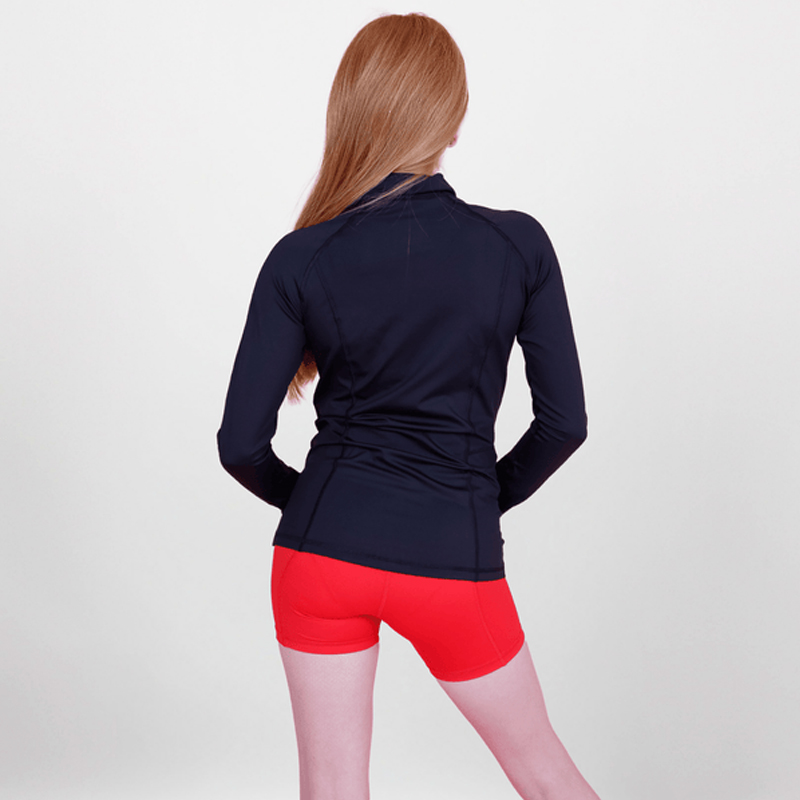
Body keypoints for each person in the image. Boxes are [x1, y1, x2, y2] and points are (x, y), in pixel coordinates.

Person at [217, 12, 600, 800]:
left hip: (319, 558)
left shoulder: (300, 257)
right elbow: (564, 423)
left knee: (331, 790)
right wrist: (473, 495)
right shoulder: (517, 247)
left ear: (350, 114)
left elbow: (240, 445)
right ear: (453, 123)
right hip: (452, 555)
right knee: (548, 778)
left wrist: (328, 508)